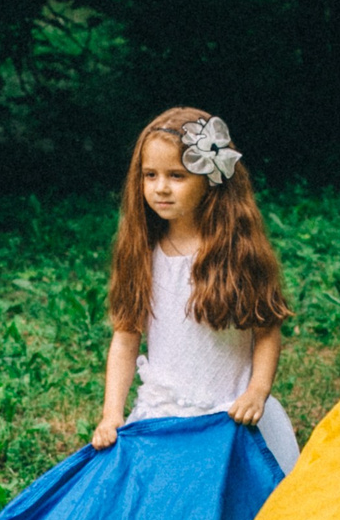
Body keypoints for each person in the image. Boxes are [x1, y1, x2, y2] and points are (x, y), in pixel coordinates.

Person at [91, 109, 299, 470]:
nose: (161, 187)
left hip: (230, 416)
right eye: (150, 175)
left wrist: (257, 391)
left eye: (177, 175)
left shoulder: (236, 253)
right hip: (163, 416)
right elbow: (126, 338)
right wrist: (112, 414)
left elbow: (267, 328)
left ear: (210, 179)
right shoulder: (142, 254)